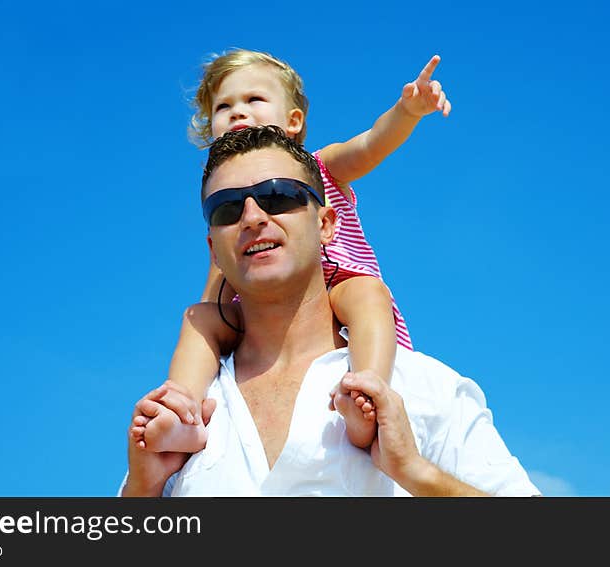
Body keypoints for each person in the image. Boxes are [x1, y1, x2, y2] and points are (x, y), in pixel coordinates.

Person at [121, 125, 541, 496]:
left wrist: (415, 473)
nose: (252, 216)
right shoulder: (182, 418)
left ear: (326, 224)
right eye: (228, 208)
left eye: (278, 196)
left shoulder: (421, 387)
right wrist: (142, 491)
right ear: (214, 247)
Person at [133, 49, 451, 453]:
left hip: (337, 282)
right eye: (224, 106)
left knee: (370, 293)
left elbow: (371, 144)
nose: (237, 112)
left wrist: (407, 111)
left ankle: (366, 392)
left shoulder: (320, 167)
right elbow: (218, 280)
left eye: (253, 100)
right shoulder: (226, 198)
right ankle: (182, 414)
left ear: (294, 120)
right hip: (260, 308)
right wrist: (213, 328)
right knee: (199, 317)